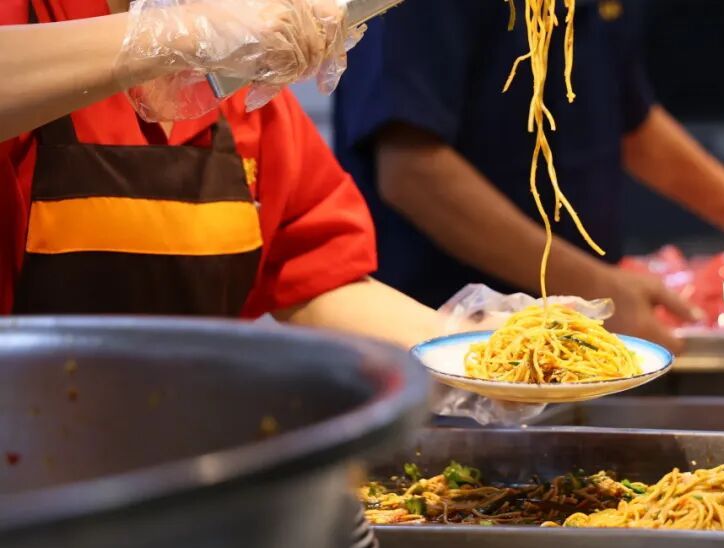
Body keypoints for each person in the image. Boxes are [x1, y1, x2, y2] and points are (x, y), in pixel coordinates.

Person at [333, 0, 724, 352]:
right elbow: (412, 170)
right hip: (443, 338)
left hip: (577, 333)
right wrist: (598, 288)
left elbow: (630, 118)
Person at [1, 0, 443, 349]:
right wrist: (181, 33)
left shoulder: (239, 86)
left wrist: (462, 346)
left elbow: (320, 281)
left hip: (194, 424)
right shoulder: (28, 21)